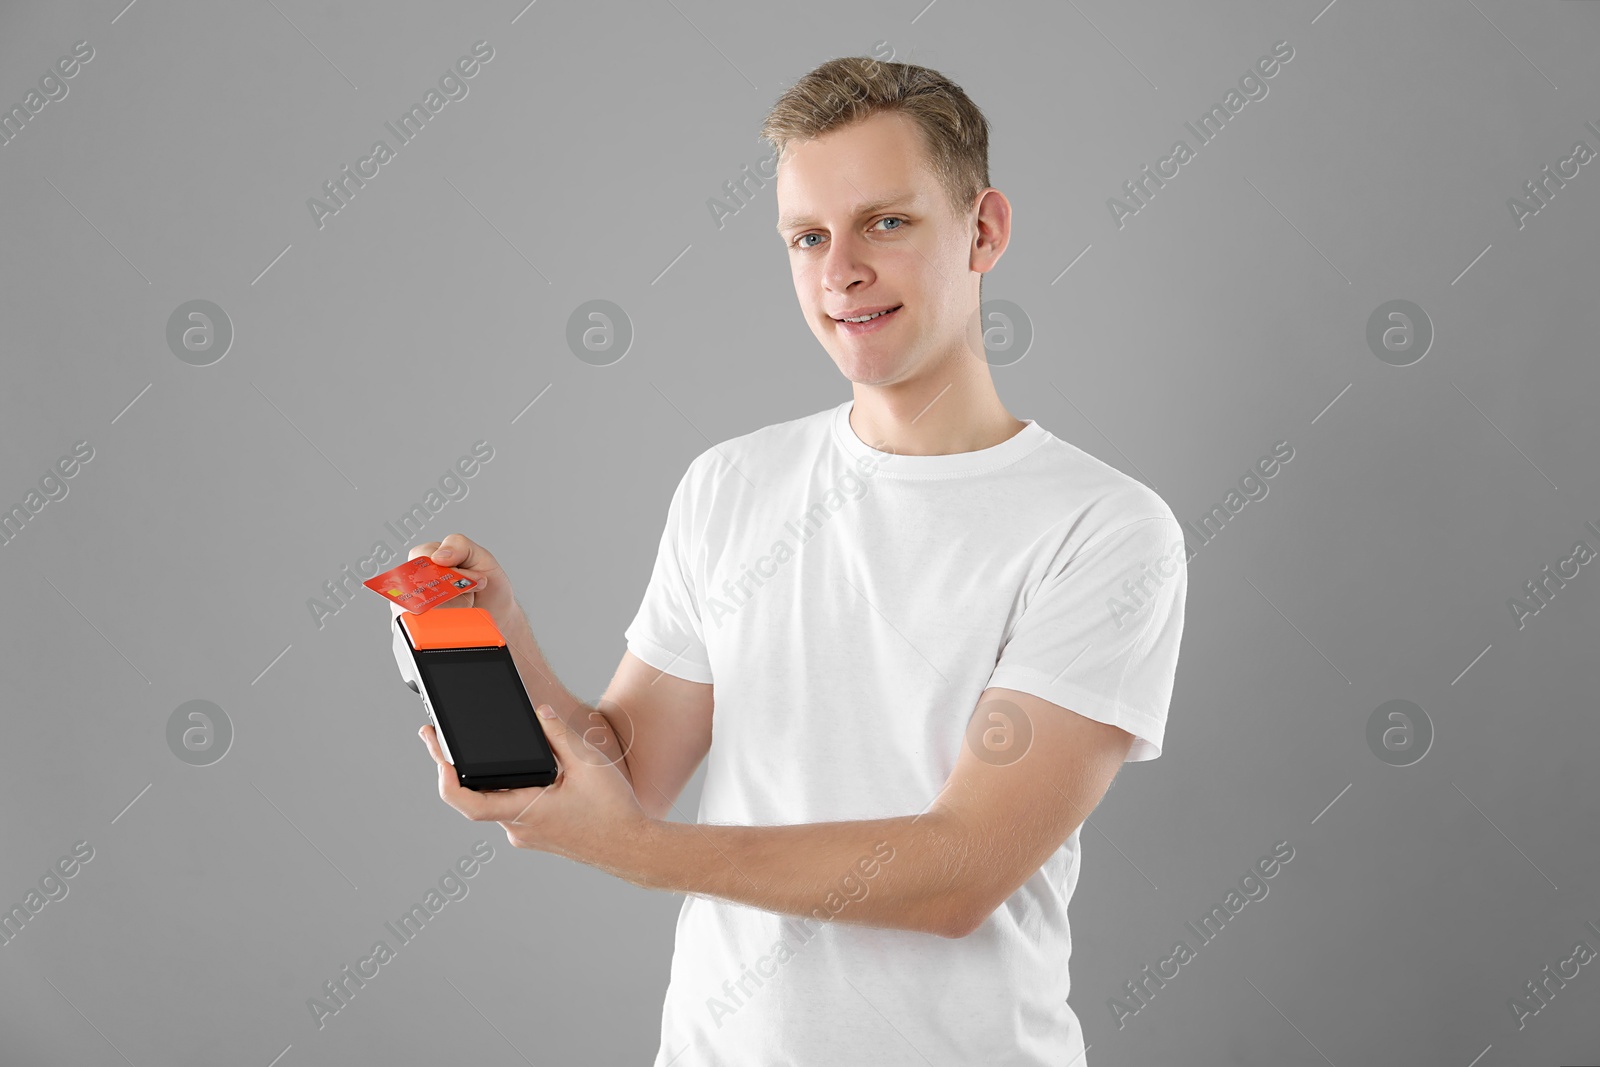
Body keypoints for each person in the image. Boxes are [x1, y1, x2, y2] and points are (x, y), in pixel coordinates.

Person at [412, 55, 1189, 1067]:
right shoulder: (730, 484)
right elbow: (631, 768)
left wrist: (647, 858)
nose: (840, 272)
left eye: (887, 222)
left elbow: (958, 871)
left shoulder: (1104, 529)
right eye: (808, 237)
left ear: (984, 229)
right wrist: (502, 639)